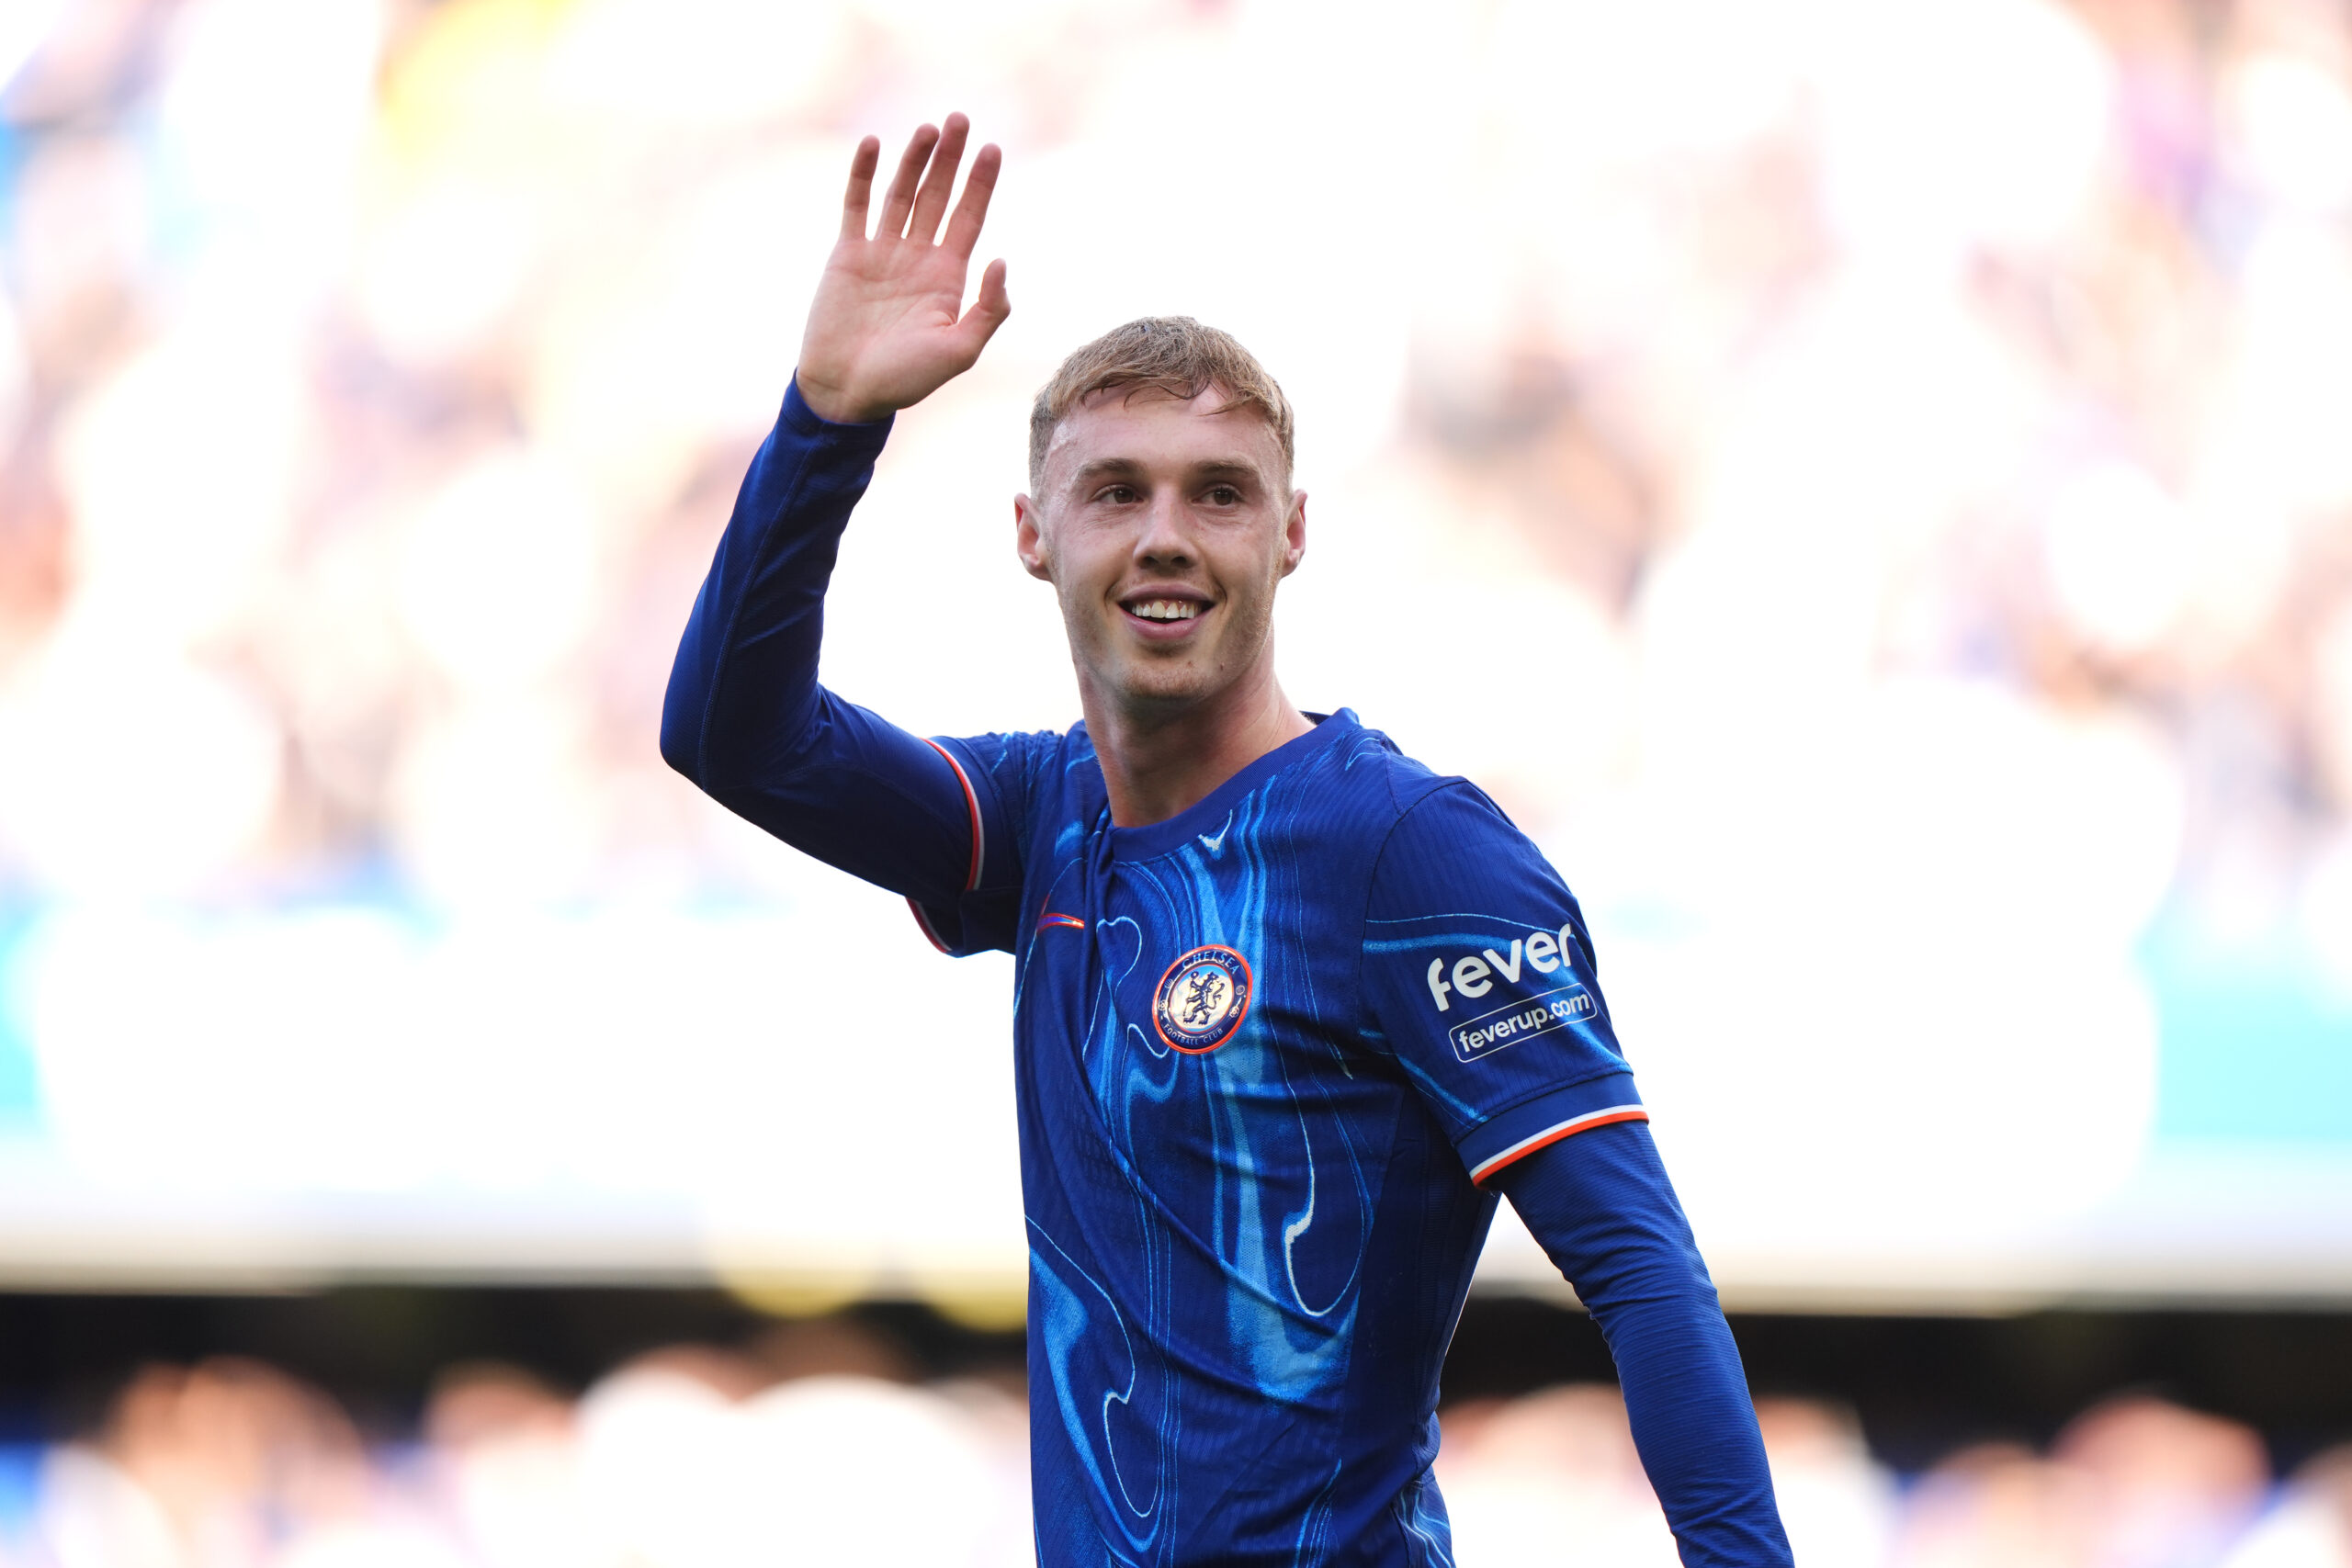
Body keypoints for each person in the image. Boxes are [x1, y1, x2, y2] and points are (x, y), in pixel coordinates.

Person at [662, 115, 1792, 1567]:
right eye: (1117, 492)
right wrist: (828, 424)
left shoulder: (1411, 856)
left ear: (1293, 534)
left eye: (1220, 494)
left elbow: (1641, 1274)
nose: (1167, 536)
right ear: (1033, 532)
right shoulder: (1037, 822)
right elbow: (732, 737)